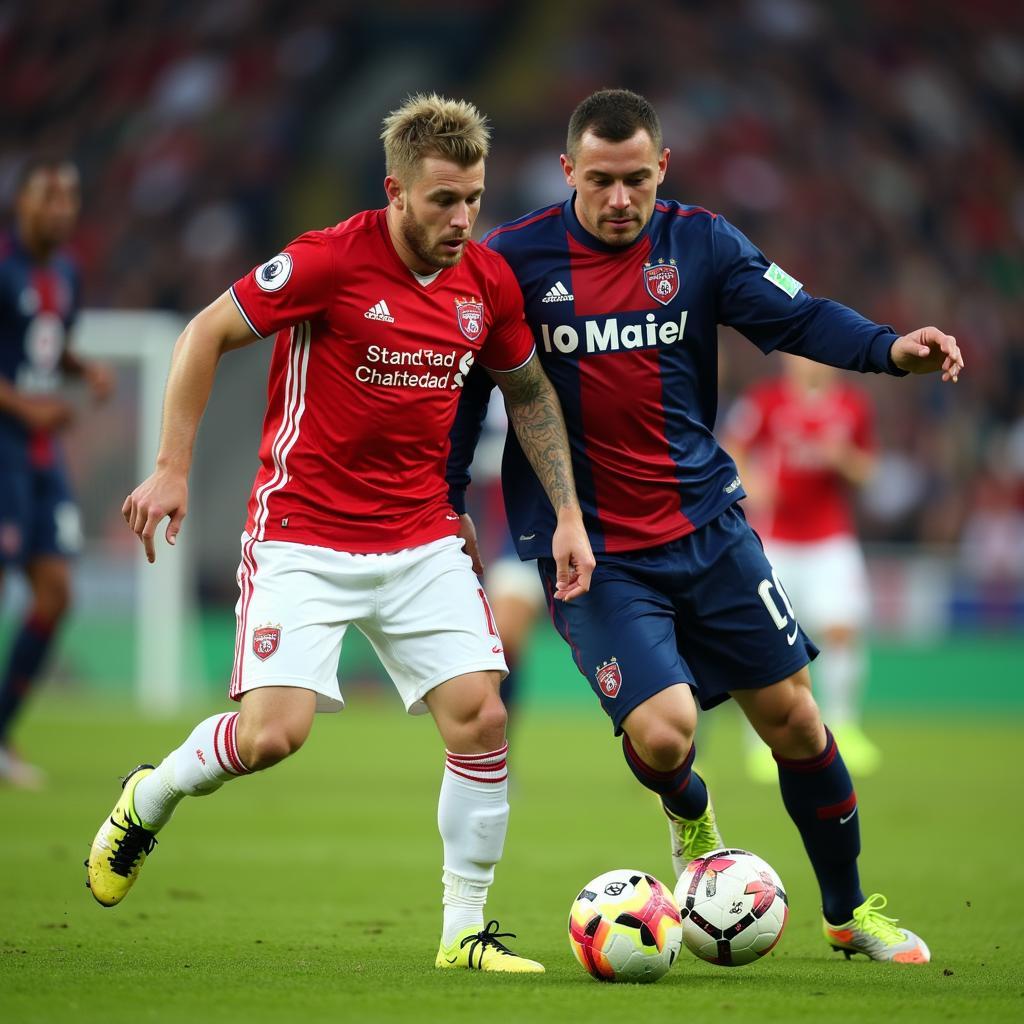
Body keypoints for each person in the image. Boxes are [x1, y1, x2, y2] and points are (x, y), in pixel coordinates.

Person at [448, 89, 963, 964]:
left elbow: (797, 316)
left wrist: (887, 349)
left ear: (663, 170)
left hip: (709, 531)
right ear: (570, 170)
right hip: (594, 552)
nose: (621, 200)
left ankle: (848, 914)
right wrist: (447, 494)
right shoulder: (513, 259)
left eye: (638, 180)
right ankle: (693, 820)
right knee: (663, 732)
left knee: (797, 724)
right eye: (602, 180)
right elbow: (467, 386)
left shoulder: (703, 242)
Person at [85, 94, 595, 974]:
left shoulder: (488, 281)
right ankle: (150, 795)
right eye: (442, 200)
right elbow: (204, 333)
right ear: (394, 190)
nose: (462, 218)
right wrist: (172, 466)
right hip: (303, 534)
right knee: (272, 736)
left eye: (472, 198)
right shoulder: (329, 261)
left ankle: (463, 933)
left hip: (420, 535)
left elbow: (531, 393)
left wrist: (571, 518)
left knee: (480, 716)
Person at [0, 158, 113, 788]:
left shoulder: (64, 273)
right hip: (3, 444)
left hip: (40, 454)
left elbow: (41, 343)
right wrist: (27, 406)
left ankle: (2, 731)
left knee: (55, 594)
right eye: (48, 195)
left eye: (69, 196)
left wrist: (82, 369)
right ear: (21, 203)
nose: (60, 208)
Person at [724, 355, 882, 782]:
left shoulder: (852, 406)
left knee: (842, 628)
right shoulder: (765, 401)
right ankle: (760, 745)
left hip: (830, 538)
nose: (807, 363)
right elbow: (731, 448)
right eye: (799, 355)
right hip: (773, 540)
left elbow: (868, 473)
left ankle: (844, 727)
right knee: (766, 643)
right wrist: (752, 483)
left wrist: (843, 457)